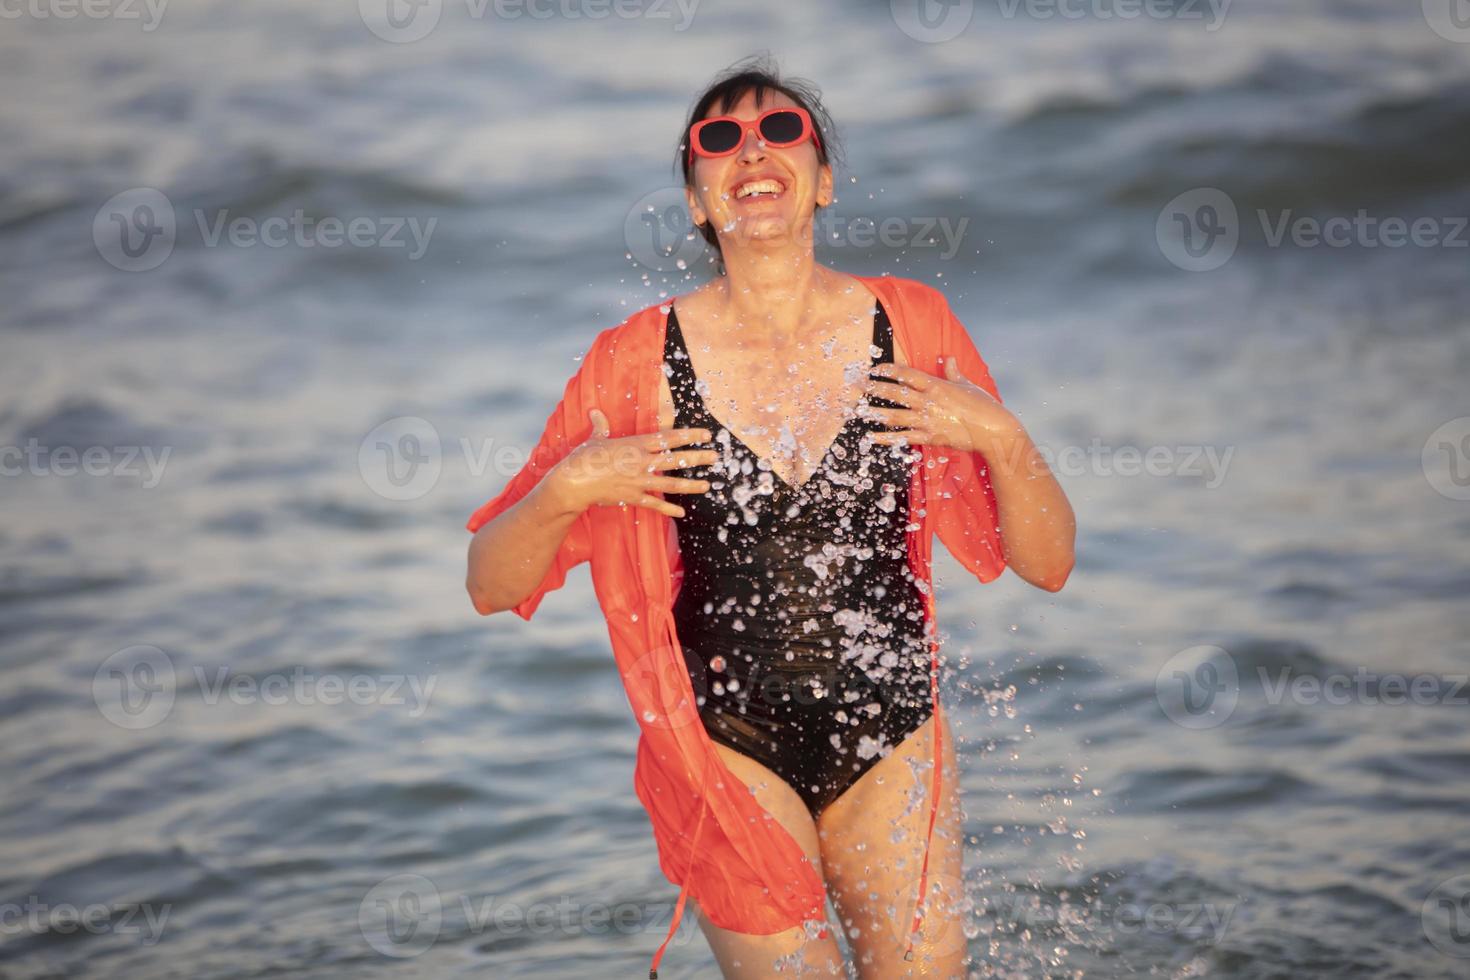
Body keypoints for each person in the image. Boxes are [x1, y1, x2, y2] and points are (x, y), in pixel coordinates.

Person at [466, 58, 1076, 980]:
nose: (751, 148)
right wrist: (567, 489)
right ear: (699, 201)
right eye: (719, 138)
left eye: (780, 130)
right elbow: (487, 580)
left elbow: (1051, 561)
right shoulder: (632, 362)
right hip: (727, 749)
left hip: (894, 736)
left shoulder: (912, 324)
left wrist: (999, 434)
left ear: (823, 179)